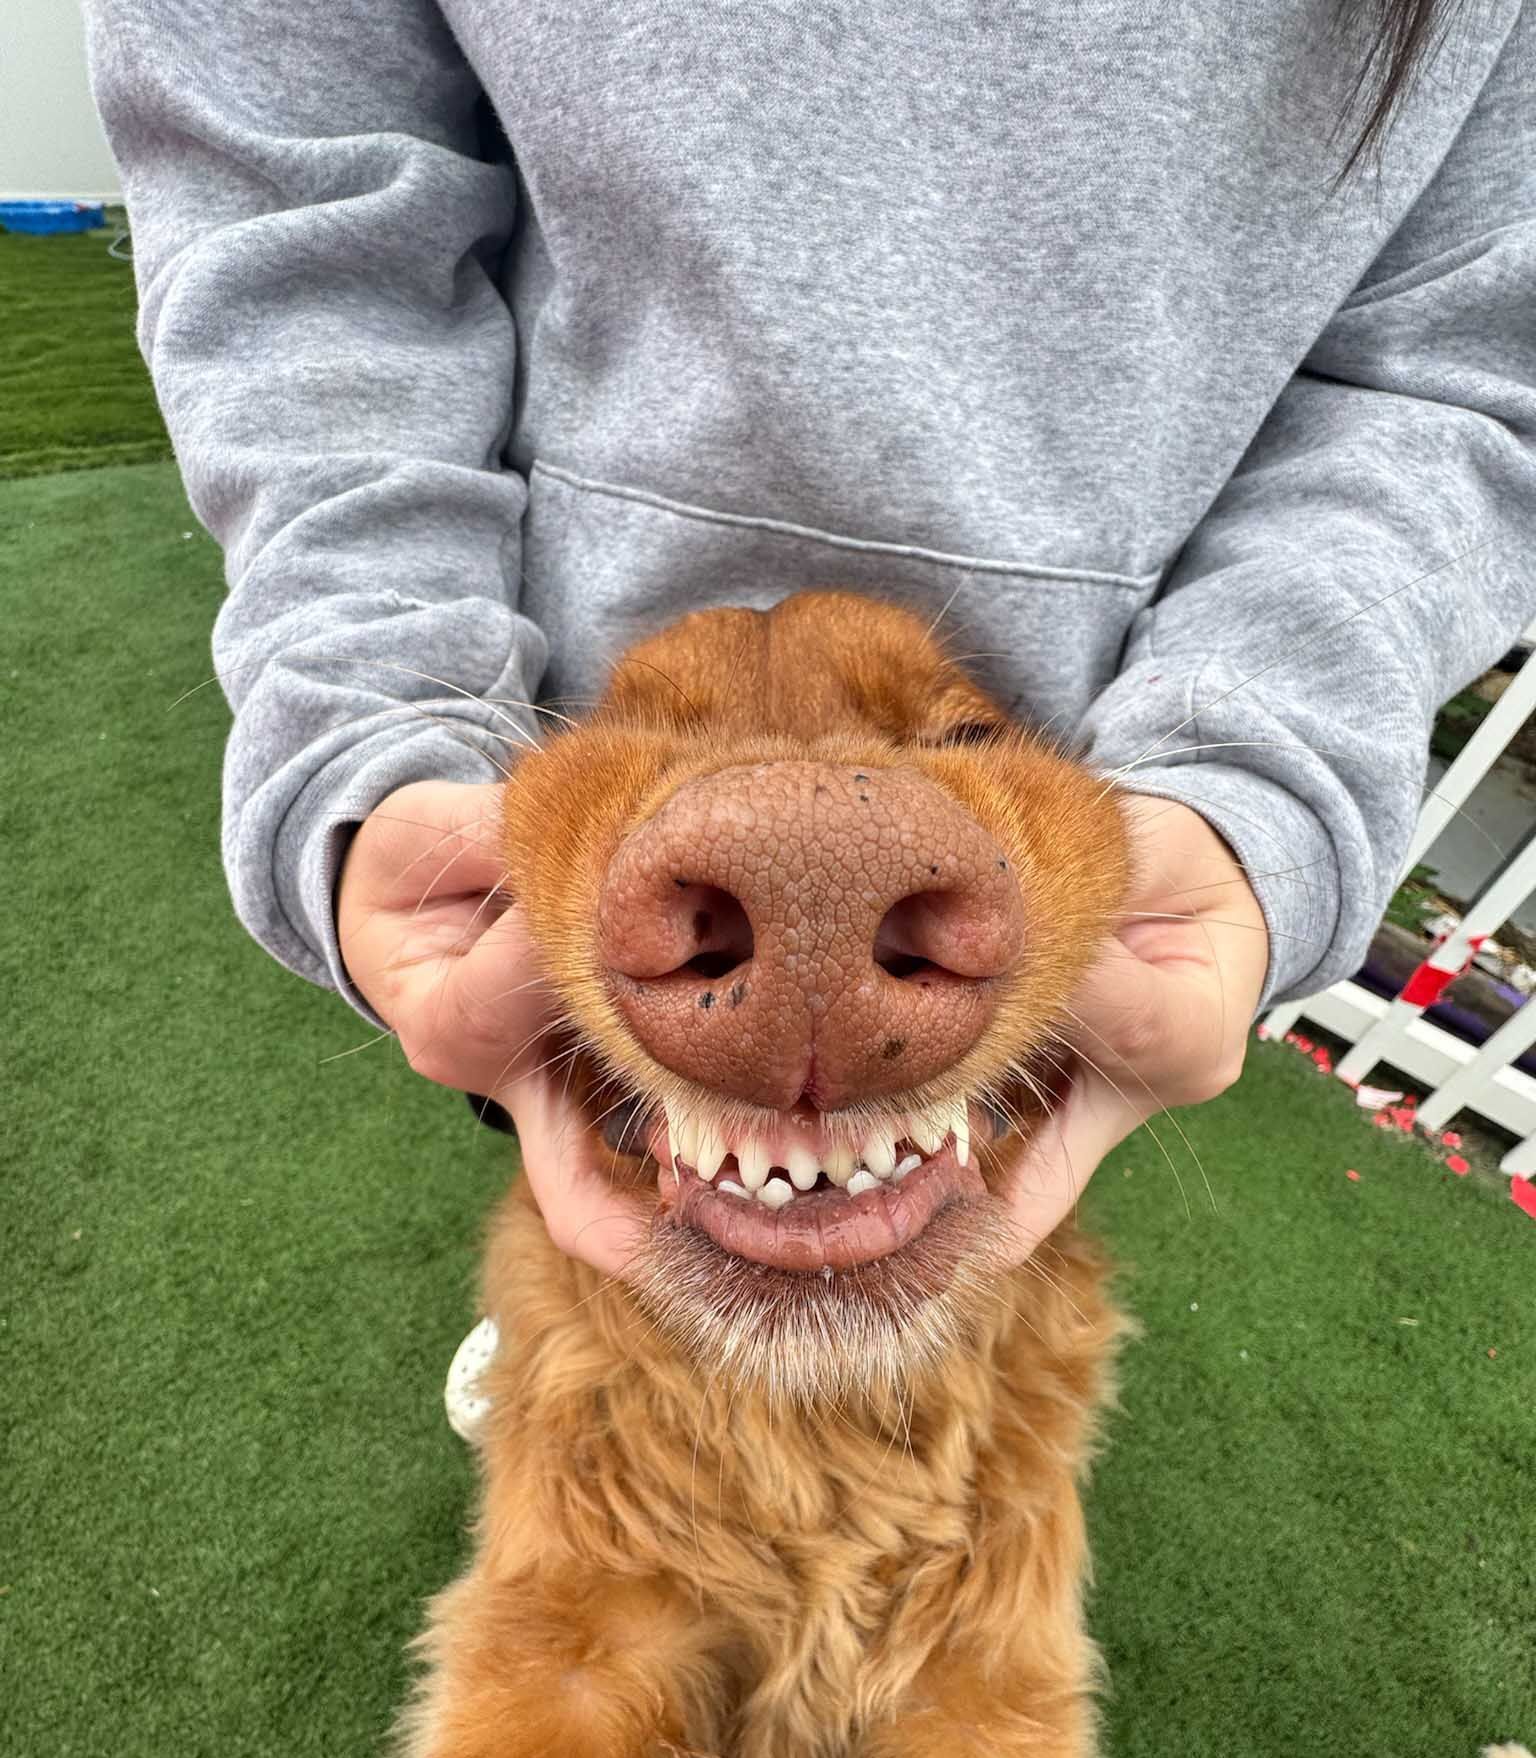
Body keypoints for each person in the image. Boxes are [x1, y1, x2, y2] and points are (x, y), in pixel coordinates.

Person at [86, 2, 1536, 1311]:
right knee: (579, 1128)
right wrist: (386, 724)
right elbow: (306, 216)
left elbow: (1459, 369)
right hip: (520, 778)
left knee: (954, 1207)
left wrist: (1240, 778)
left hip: (1080, 825)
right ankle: (565, 1319)